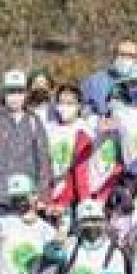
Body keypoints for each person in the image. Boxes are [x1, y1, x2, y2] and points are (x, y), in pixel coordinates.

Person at [0, 69, 53, 219]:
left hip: (25, 197)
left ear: (25, 94)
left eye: (19, 92)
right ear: (3, 93)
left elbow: (43, 160)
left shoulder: (34, 121)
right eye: (11, 92)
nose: (15, 97)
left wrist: (42, 195)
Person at [44, 84, 93, 214]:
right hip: (49, 193)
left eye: (70, 103)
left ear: (79, 106)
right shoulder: (49, 129)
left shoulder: (85, 130)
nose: (65, 107)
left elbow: (81, 170)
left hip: (73, 196)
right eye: (61, 102)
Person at [80, 40, 137, 117]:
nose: (126, 59)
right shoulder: (94, 82)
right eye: (122, 54)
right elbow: (81, 110)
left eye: (131, 55)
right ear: (114, 56)